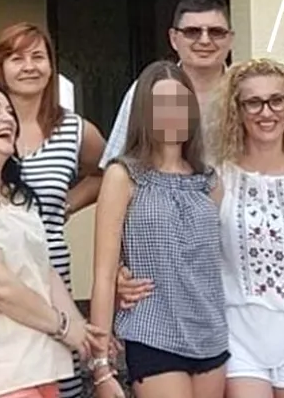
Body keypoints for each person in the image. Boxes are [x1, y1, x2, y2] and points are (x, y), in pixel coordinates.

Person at [119, 57, 284, 398]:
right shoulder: (216, 176)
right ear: (237, 110)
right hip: (237, 330)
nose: (266, 112)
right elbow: (176, 240)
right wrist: (123, 272)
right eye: (253, 102)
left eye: (276, 100)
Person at [0, 22, 105, 398]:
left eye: (38, 57)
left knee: (59, 383)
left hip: (54, 281)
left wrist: (65, 205)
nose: (29, 67)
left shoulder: (73, 129)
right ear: (0, 66)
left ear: (52, 66)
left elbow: (108, 173)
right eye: (17, 58)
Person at [89, 61, 230, 398]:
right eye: (161, 104)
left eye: (181, 103)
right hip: (153, 332)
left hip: (210, 334)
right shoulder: (123, 176)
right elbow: (104, 274)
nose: (172, 113)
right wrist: (101, 365)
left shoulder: (209, 181)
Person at [99, 0, 233, 168]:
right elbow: (116, 163)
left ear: (230, 39)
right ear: (173, 38)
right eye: (192, 32)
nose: (205, 40)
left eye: (216, 32)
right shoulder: (148, 89)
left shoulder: (247, 91)